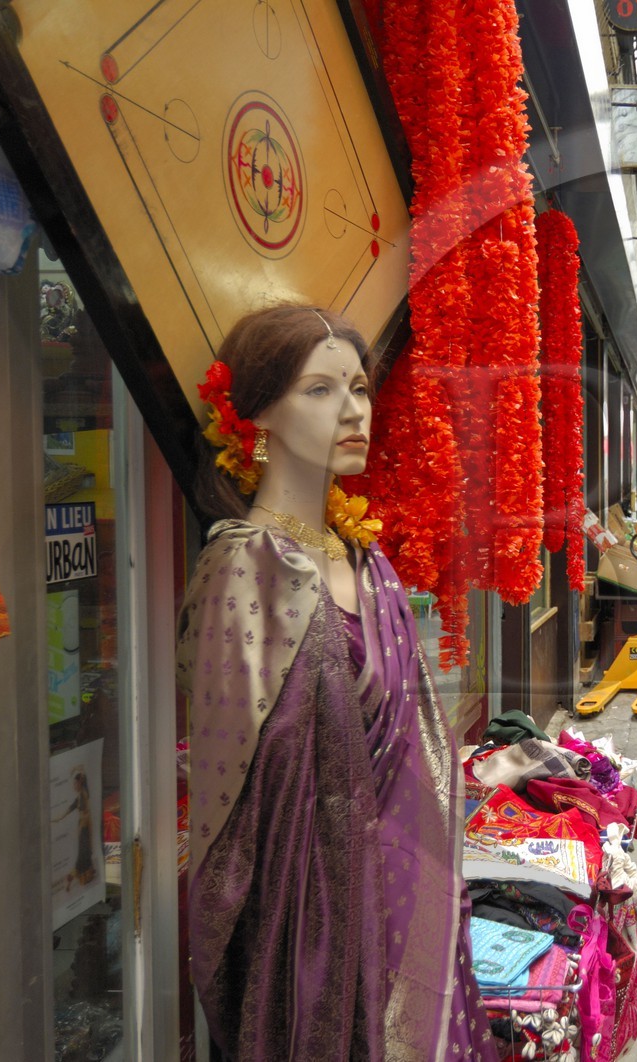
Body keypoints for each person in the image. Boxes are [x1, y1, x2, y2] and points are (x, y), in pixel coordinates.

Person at [176, 305, 497, 1061]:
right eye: (320, 390)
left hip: (396, 895)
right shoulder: (246, 568)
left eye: (357, 387)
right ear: (256, 417)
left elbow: (415, 742)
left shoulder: (368, 566)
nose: (354, 410)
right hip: (307, 921)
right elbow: (234, 800)